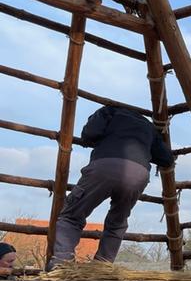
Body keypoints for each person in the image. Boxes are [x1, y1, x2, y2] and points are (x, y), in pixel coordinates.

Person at [47, 105, 174, 271]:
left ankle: (61, 266)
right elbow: (166, 159)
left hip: (104, 166)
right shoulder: (148, 126)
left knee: (71, 216)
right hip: (138, 174)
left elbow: (89, 134)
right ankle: (102, 268)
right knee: (117, 223)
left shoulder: (109, 111)